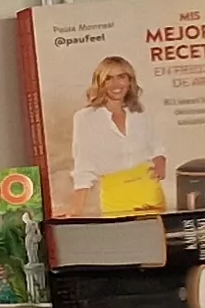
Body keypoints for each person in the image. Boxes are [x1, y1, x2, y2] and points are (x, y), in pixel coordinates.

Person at [66, 53, 167, 216]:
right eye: (109, 78)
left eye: (121, 77)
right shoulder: (85, 118)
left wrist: (160, 161)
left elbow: (156, 145)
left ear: (129, 81)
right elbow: (83, 167)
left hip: (150, 192)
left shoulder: (140, 112)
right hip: (116, 197)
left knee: (156, 240)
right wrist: (76, 210)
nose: (116, 84)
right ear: (100, 83)